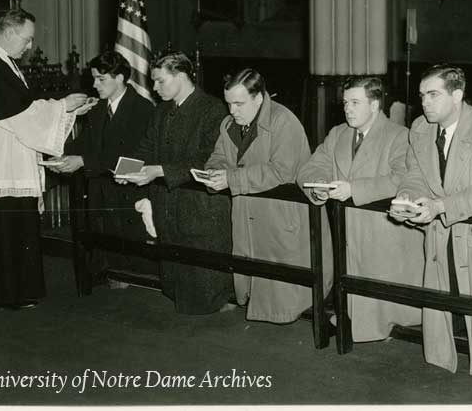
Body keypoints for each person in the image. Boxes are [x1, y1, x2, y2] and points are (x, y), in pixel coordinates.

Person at [389, 64, 472, 376]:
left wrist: (439, 205)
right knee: (445, 296)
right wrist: (407, 199)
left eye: (433, 95)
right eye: (422, 95)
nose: (425, 103)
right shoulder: (420, 128)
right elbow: (415, 174)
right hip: (440, 234)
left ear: (458, 95)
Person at [0, 9, 92, 309]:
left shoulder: (2, 63)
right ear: (8, 33)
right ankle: (3, 294)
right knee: (3, 226)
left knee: (8, 226)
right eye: (27, 39)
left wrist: (67, 110)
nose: (30, 46)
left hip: (8, 158)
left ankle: (9, 292)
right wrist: (62, 106)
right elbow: (20, 114)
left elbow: (23, 108)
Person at [297, 76, 422, 341]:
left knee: (382, 299)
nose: (348, 109)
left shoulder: (399, 136)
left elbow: (403, 177)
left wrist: (354, 189)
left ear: (375, 105)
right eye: (345, 102)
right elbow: (312, 165)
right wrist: (318, 183)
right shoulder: (338, 134)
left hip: (384, 234)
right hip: (349, 233)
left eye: (355, 102)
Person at [204, 69, 332, 324]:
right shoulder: (229, 124)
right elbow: (219, 156)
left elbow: (281, 171)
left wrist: (231, 179)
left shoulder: (284, 121)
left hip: (279, 216)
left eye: (239, 104)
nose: (232, 111)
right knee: (259, 276)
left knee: (285, 287)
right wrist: (213, 171)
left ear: (259, 98)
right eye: (229, 103)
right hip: (249, 213)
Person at [118, 52, 231, 315]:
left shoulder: (212, 109)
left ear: (181, 76)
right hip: (169, 202)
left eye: (160, 81)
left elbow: (208, 157)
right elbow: (146, 146)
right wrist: (126, 169)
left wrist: (159, 171)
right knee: (175, 272)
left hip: (200, 205)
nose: (154, 88)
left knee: (202, 282)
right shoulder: (161, 111)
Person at [48, 51, 156, 281]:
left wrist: (83, 162)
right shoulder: (98, 108)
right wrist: (61, 156)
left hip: (127, 192)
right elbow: (86, 143)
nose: (94, 84)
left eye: (101, 79)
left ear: (119, 78)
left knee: (133, 260)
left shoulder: (142, 109)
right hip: (100, 191)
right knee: (105, 252)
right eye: (94, 78)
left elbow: (132, 156)